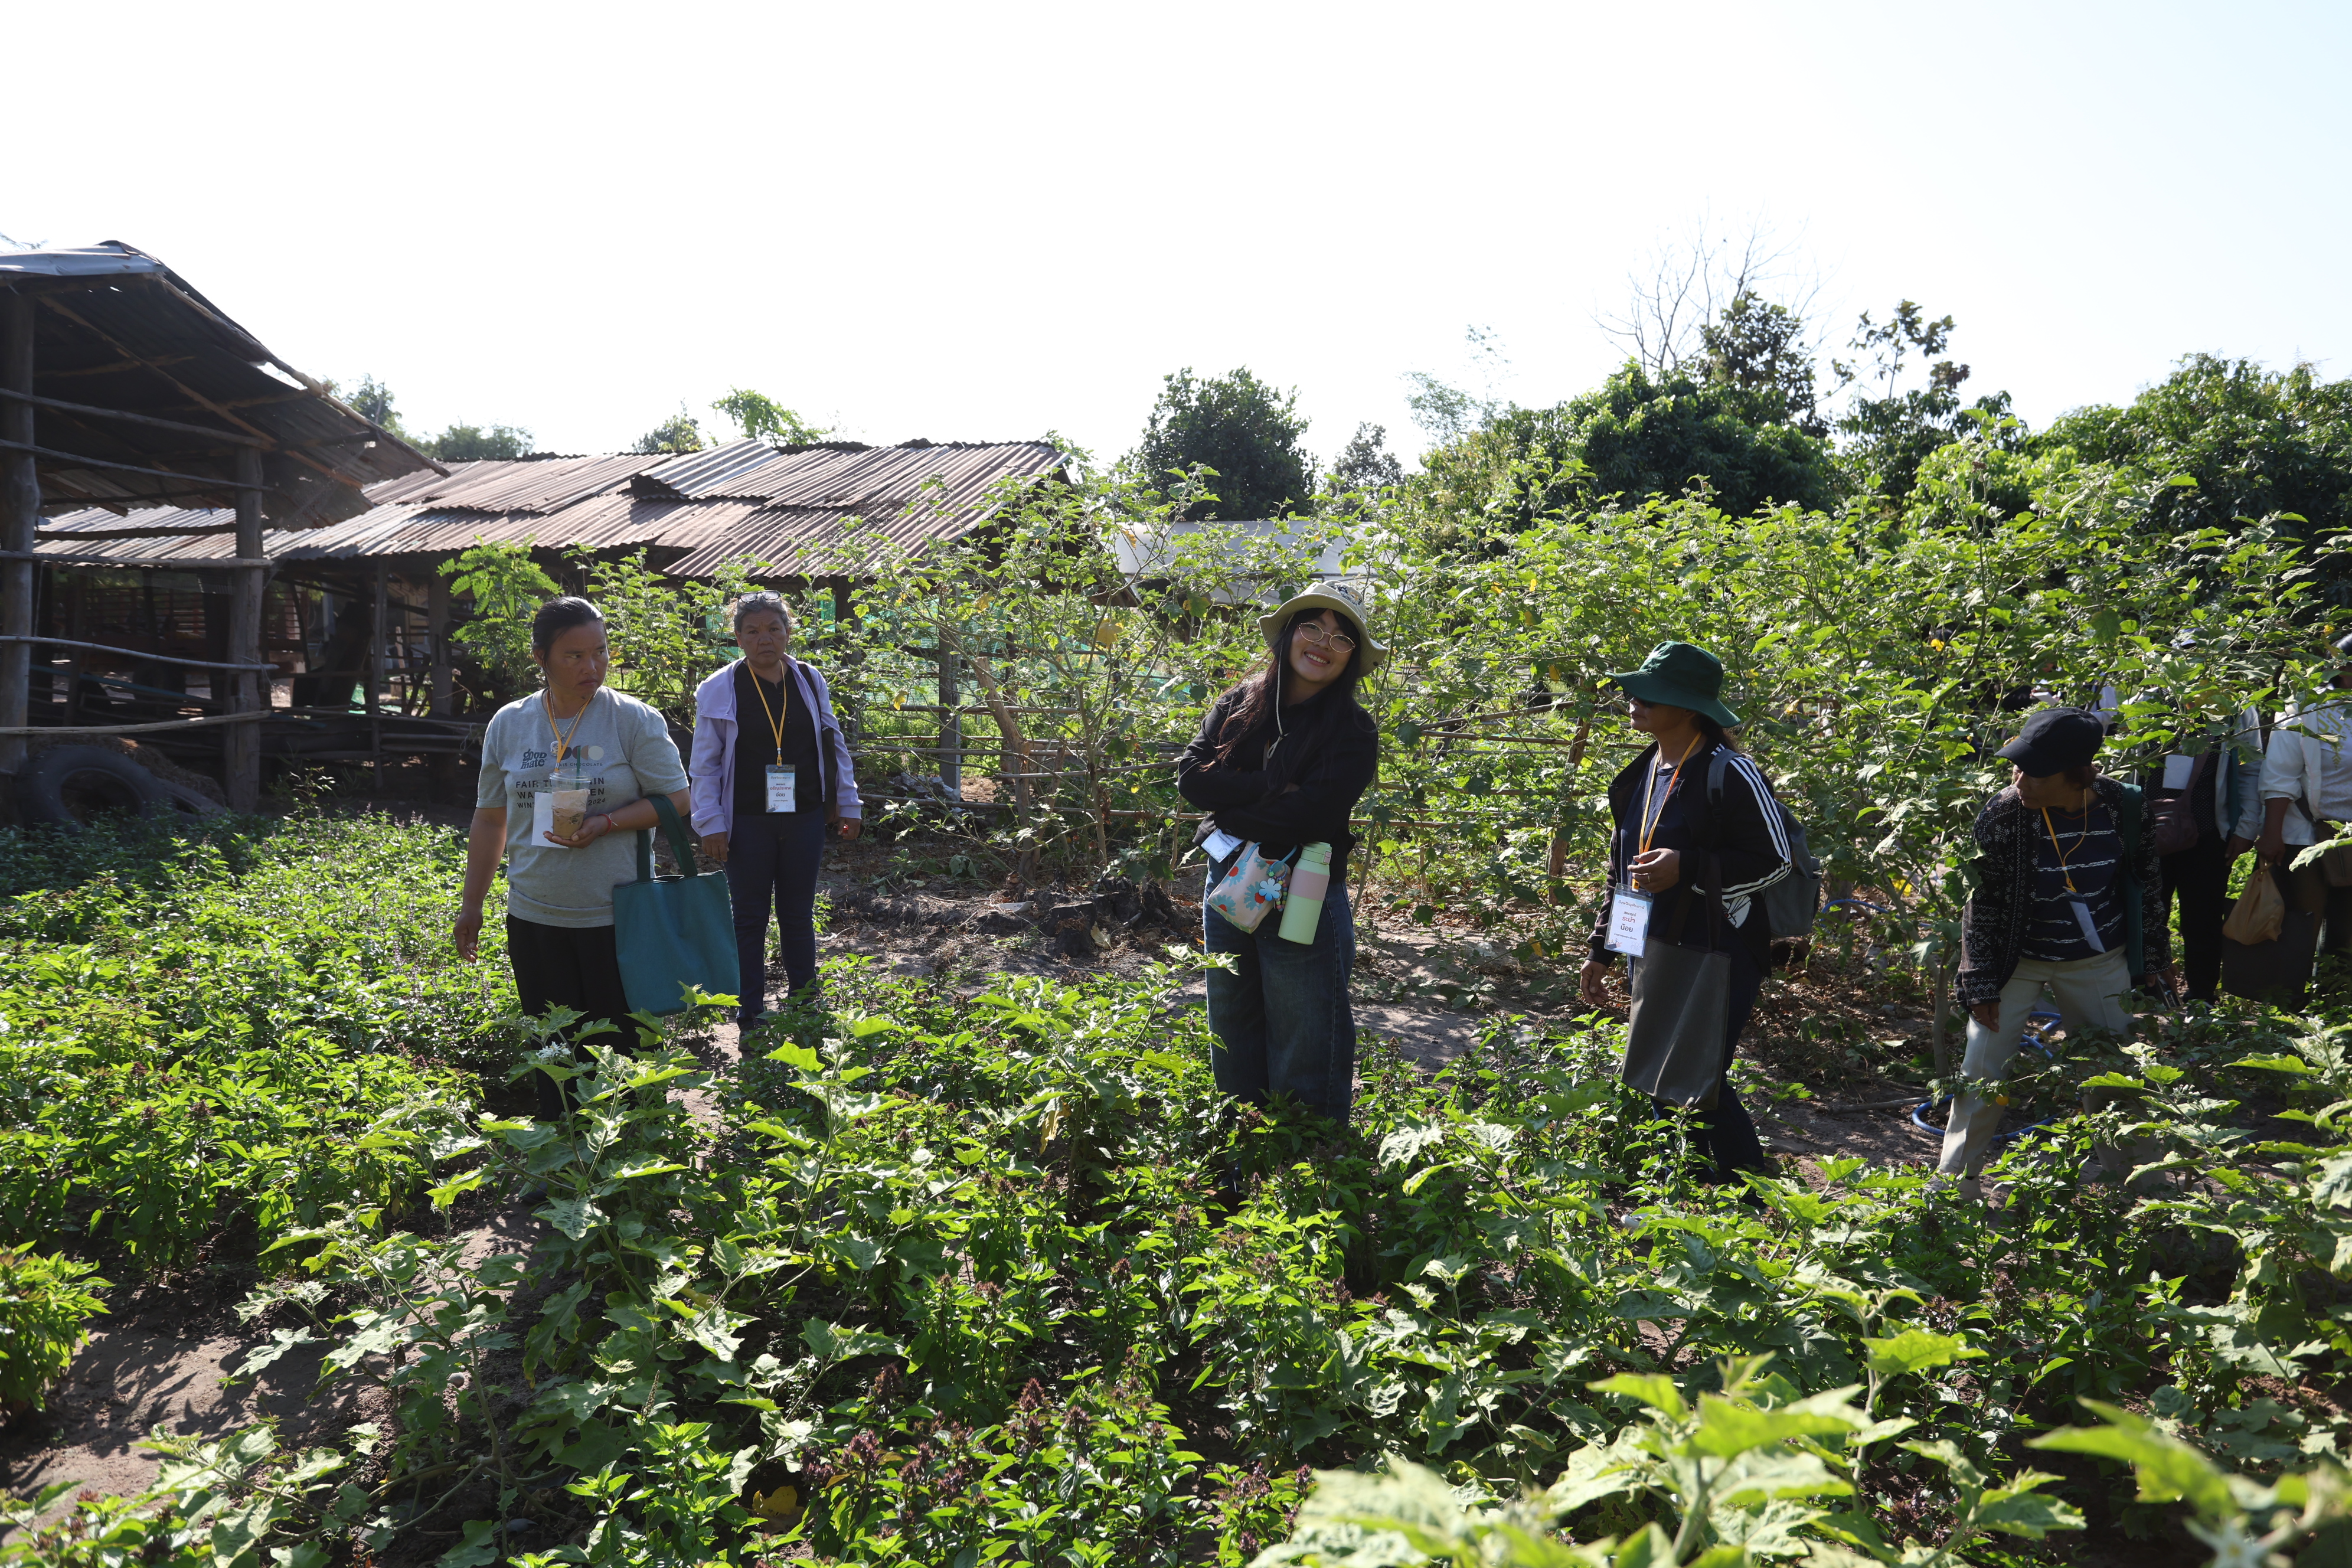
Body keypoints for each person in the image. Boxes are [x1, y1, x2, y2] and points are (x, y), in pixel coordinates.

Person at [455, 597, 694, 1120]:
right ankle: (562, 1154)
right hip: (535, 914)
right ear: (540, 658)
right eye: (575, 656)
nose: (592, 667)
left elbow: (678, 801)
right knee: (554, 1049)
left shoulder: (633, 720)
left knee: (625, 1049)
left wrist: (606, 823)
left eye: (601, 653)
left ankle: (632, 1160)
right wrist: (472, 904)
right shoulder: (510, 724)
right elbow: (491, 819)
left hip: (618, 915)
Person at [1577, 641, 1791, 1185]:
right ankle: (1689, 1196)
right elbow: (1621, 871)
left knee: (1699, 1081)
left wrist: (1689, 868)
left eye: (1654, 693)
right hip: (1652, 949)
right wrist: (1603, 950)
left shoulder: (1730, 773)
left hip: (1717, 953)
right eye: (1635, 688)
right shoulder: (1640, 773)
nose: (1635, 700)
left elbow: (1776, 861)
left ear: (1692, 708)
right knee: (1657, 1073)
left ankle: (1746, 1196)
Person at [1939, 706, 2174, 1198]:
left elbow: (2147, 885)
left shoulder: (2123, 808)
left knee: (2115, 1079)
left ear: (2077, 776)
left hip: (2098, 960)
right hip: (2015, 961)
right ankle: (1951, 1196)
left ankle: (2143, 1196)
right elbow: (1982, 903)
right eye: (2017, 766)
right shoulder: (2005, 812)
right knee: (1982, 1076)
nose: (2020, 779)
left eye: (2034, 772)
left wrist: (2152, 961)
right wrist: (1979, 981)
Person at [1177, 582, 1383, 1127]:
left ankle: (1309, 1164)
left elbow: (1311, 815)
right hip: (1228, 874)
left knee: (1307, 1029)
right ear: (1290, 634)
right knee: (1232, 1016)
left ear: (1353, 657)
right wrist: (1271, 783)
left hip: (1304, 884)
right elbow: (1191, 779)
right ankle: (1243, 1149)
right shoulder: (1241, 701)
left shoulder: (1354, 731)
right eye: (1312, 627)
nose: (1323, 644)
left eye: (1341, 638)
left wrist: (1235, 792)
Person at [690, 592, 863, 1031]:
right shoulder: (718, 689)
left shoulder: (808, 678)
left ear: (789, 632)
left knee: (797, 914)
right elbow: (705, 765)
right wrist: (711, 823)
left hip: (805, 818)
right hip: (746, 823)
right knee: (749, 918)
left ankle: (805, 1008)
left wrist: (848, 803)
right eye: (753, 631)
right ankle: (750, 1013)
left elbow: (833, 744)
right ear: (737, 638)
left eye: (774, 629)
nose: (764, 639)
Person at [2144, 696, 2262, 1002]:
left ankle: (2202, 998)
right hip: (2148, 832)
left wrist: (2246, 827)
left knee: (2203, 919)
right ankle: (2147, 994)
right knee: (2146, 913)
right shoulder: (2154, 693)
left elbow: (2251, 768)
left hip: (2209, 833)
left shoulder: (2237, 706)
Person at [2256, 635, 2352, 991]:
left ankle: (2335, 1004)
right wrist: (2271, 834)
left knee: (2347, 932)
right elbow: (2280, 775)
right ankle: (2289, 1004)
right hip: (2306, 836)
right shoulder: (2307, 706)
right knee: (2302, 924)